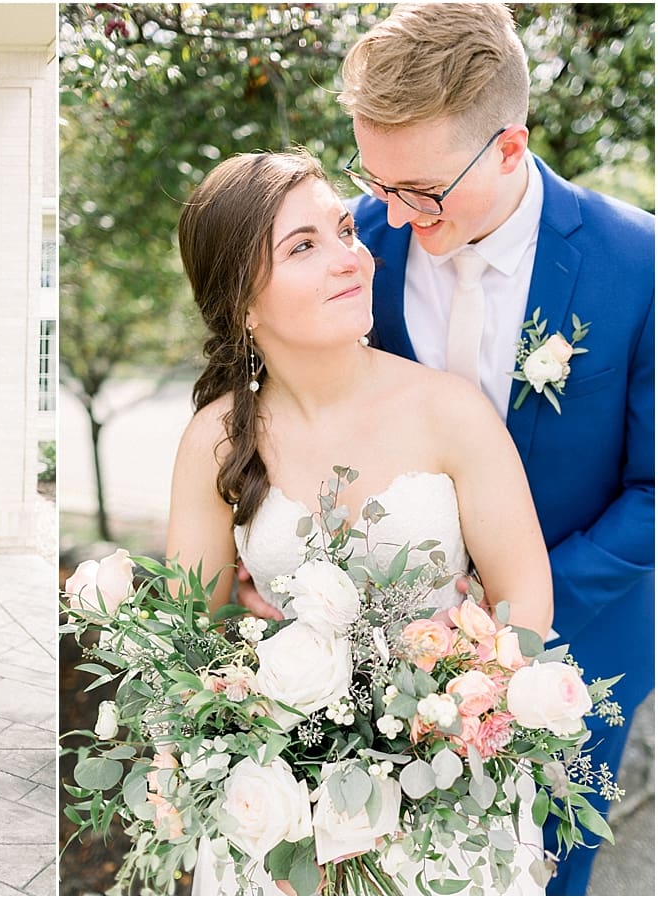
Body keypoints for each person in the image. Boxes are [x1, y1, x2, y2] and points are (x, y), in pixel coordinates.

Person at [332, 5, 654, 894]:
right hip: (384, 661)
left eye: (423, 191)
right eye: (376, 180)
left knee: (544, 877)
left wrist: (513, 612)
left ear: (511, 148)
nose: (393, 215)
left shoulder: (640, 261)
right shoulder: (358, 248)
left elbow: (654, 490)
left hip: (577, 654)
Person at [169, 149, 553, 895]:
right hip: (282, 813)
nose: (352, 258)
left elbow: (526, 599)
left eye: (345, 230)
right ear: (242, 303)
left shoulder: (449, 410)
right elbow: (193, 634)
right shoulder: (214, 441)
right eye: (303, 246)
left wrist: (456, 721)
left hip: (452, 799)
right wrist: (275, 747)